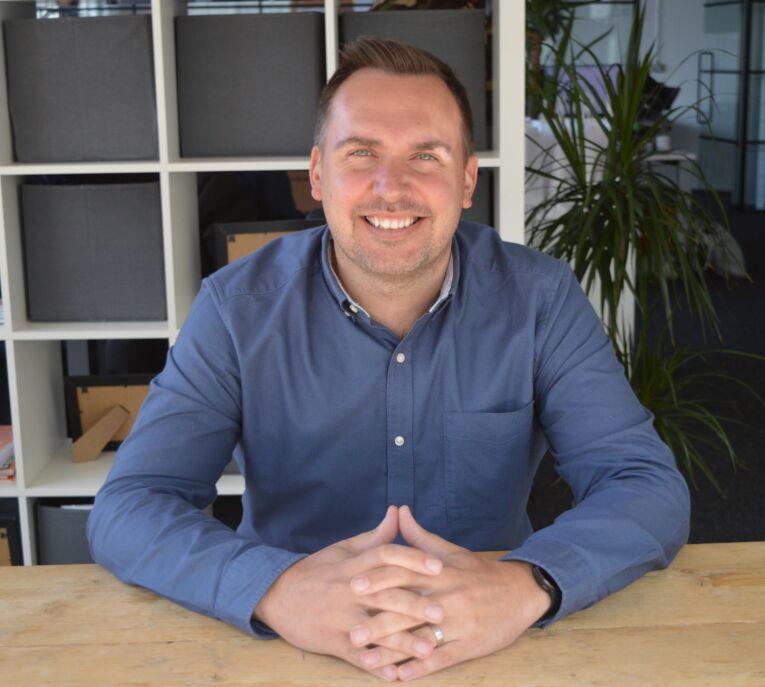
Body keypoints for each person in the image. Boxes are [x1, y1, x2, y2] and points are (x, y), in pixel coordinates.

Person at [87, 37, 691, 682]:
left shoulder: (539, 299)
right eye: (362, 153)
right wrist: (274, 587)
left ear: (465, 180)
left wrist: (528, 583)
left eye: (425, 156)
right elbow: (133, 503)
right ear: (318, 176)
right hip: (290, 645)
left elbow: (643, 482)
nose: (390, 187)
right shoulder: (237, 307)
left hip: (491, 641)